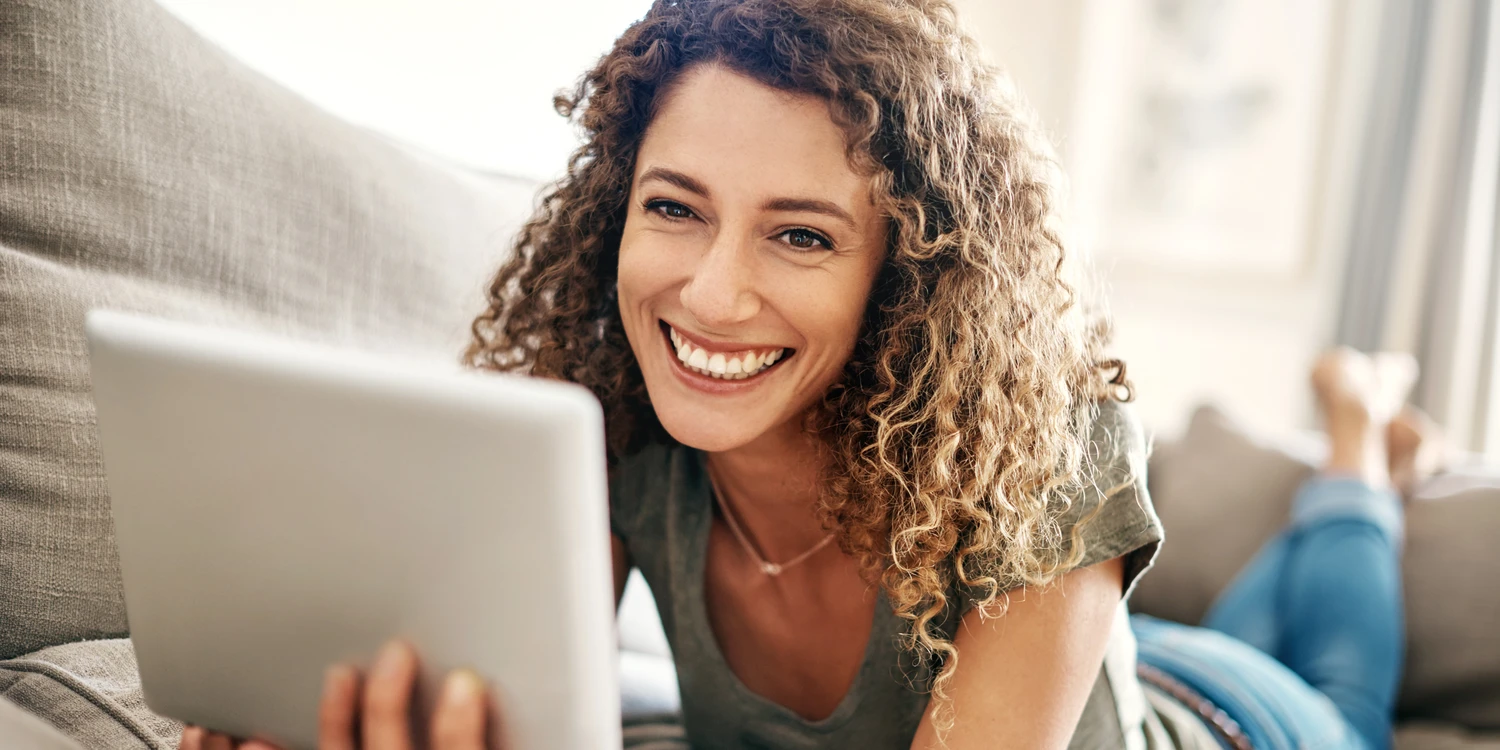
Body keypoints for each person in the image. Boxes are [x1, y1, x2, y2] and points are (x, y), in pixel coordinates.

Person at [180, 1, 1420, 748]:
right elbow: (495, 704)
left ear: (906, 268)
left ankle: (1360, 441)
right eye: (676, 208)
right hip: (1100, 668)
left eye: (802, 233)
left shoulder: (1046, 447)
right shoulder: (598, 432)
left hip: (1228, 726)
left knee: (1346, 689)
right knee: (1213, 624)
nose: (713, 294)